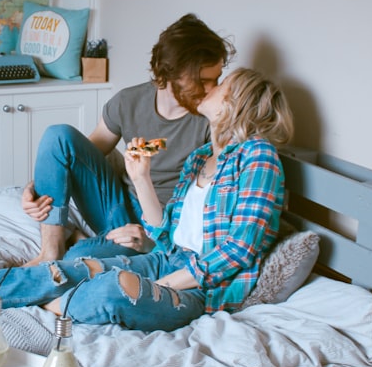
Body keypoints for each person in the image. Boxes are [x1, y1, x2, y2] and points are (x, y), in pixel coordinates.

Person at [0, 67, 294, 333]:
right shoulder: (203, 156)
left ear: (236, 101)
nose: (209, 89)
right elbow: (165, 234)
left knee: (106, 290)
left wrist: (169, 281)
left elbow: (236, 251)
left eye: (219, 85)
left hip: (201, 289)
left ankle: (45, 295)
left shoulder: (258, 159)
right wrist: (138, 177)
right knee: (58, 271)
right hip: (167, 260)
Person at [21, 13, 235, 266]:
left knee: (79, 259)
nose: (213, 89)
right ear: (170, 72)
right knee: (58, 135)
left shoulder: (210, 121)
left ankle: (80, 243)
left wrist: (154, 239)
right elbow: (77, 154)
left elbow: (206, 205)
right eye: (203, 81)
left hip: (159, 225)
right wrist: (37, 189)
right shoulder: (128, 101)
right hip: (116, 206)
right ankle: (50, 250)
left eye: (216, 80)